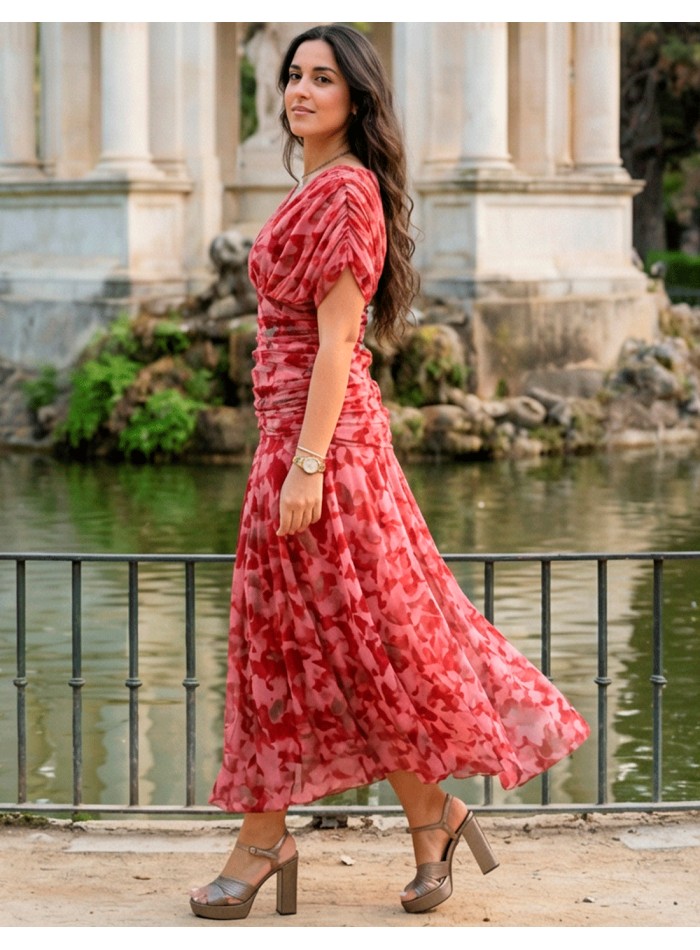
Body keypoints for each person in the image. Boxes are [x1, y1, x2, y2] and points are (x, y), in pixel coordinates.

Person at [190, 23, 590, 921]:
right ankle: (429, 816)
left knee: (357, 644)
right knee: (309, 646)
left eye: (321, 78)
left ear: (356, 98)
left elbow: (339, 342)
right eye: (293, 75)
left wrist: (305, 468)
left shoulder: (346, 193)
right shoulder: (321, 186)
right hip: (293, 442)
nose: (299, 91)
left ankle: (269, 842)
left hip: (324, 452)